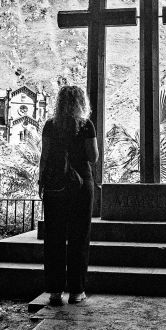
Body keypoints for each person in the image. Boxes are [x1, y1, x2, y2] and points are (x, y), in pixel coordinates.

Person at [38, 85, 98, 306]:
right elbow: (93, 158)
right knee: (79, 236)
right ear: (81, 103)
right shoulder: (86, 126)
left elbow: (44, 157)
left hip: (55, 186)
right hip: (81, 185)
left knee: (54, 237)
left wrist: (41, 181)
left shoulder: (50, 126)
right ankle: (76, 291)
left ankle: (54, 291)